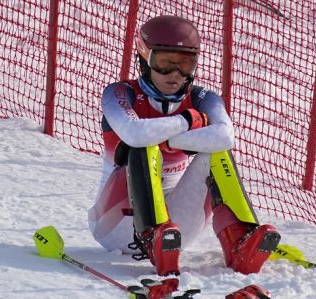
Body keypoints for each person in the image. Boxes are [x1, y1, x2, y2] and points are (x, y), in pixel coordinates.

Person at [88, 15, 280, 276]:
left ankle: (240, 242)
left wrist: (167, 137)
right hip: (116, 224)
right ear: (145, 59)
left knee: (215, 153)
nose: (175, 74)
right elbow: (134, 133)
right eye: (165, 63)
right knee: (142, 146)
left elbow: (224, 137)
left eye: (185, 64)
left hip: (175, 233)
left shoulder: (204, 98)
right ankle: (153, 234)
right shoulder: (120, 92)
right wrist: (187, 121)